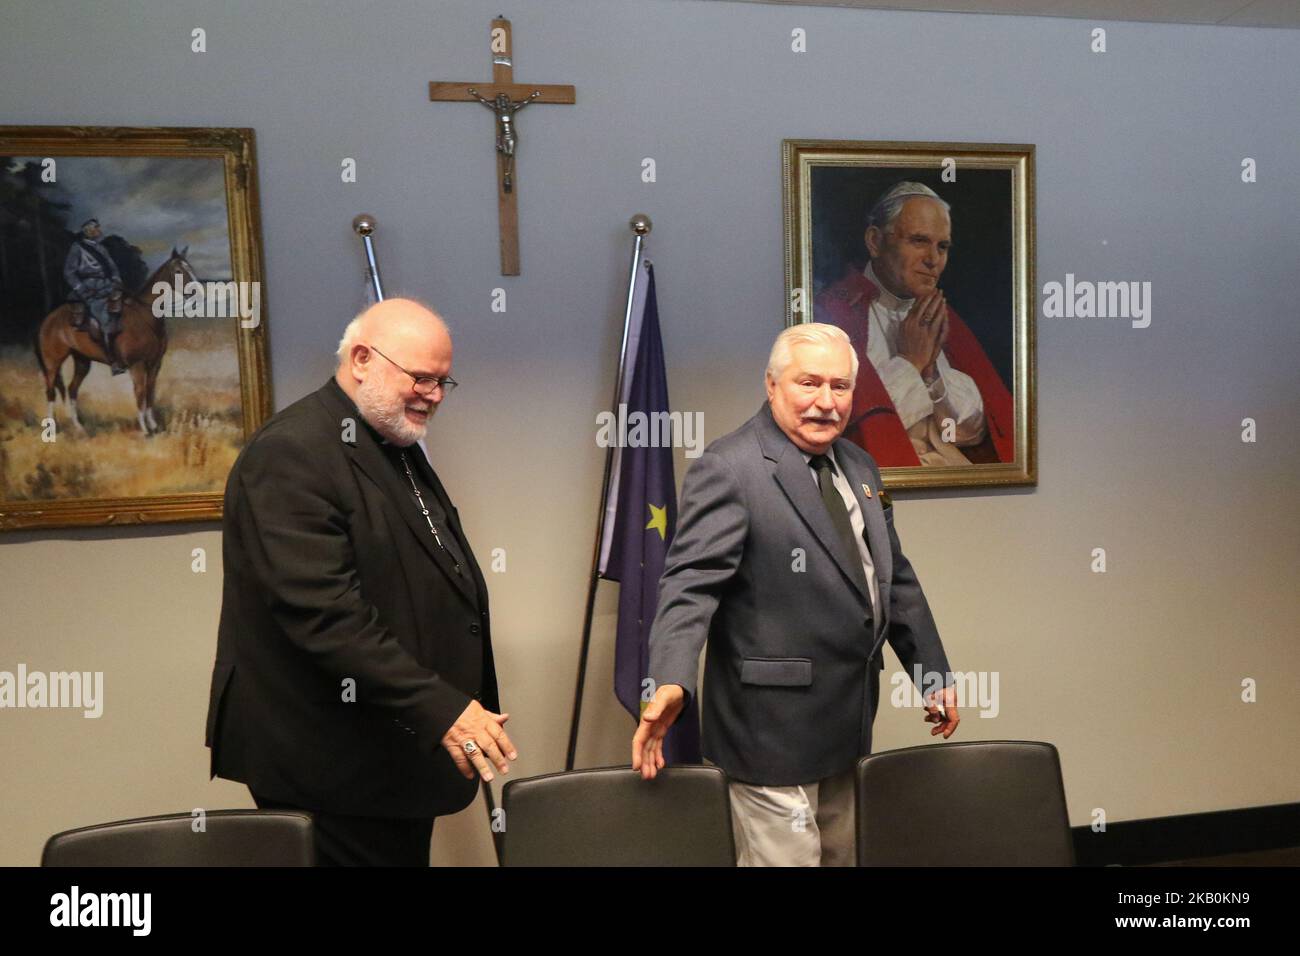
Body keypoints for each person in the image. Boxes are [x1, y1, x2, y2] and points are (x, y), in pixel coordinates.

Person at [632, 323, 959, 867]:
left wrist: (932, 673)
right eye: (809, 384)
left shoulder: (859, 466)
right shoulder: (730, 468)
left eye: (840, 387)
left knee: (841, 860)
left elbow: (891, 576)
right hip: (768, 734)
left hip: (848, 722)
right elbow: (688, 585)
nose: (826, 403)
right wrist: (670, 678)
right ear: (771, 385)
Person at [205, 298, 515, 866]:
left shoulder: (386, 438)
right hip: (329, 760)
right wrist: (440, 705)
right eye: (421, 378)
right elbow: (323, 614)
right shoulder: (291, 451)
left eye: (445, 381)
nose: (435, 395)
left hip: (389, 750)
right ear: (363, 359)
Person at [814, 182, 1014, 466]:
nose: (933, 260)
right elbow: (847, 430)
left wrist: (932, 376)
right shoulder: (835, 312)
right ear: (874, 241)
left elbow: (977, 432)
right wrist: (910, 362)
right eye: (919, 241)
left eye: (942, 246)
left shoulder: (944, 319)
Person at [62, 218, 127, 374]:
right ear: (89, 231)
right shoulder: (77, 248)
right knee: (104, 317)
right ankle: (113, 361)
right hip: (90, 288)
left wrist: (117, 281)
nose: (99, 230)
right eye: (96, 228)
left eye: (98, 227)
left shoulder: (102, 248)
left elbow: (112, 268)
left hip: (107, 285)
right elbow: (69, 272)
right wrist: (82, 289)